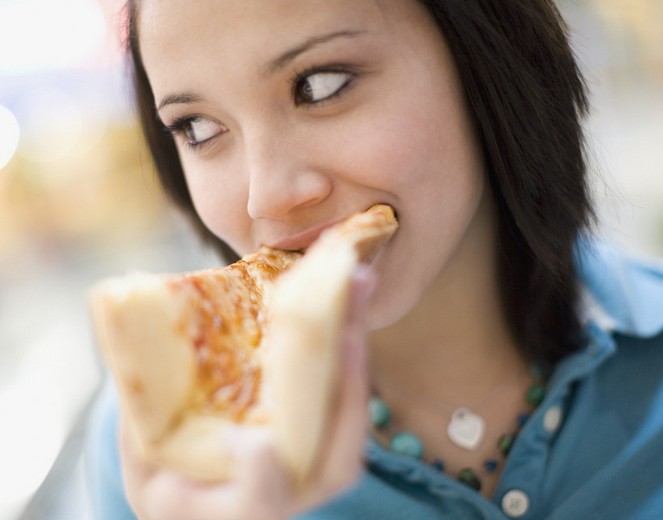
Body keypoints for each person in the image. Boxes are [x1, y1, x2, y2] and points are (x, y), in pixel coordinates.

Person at [85, 0, 663, 518]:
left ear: (485, 55)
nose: (267, 195)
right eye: (199, 127)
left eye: (320, 84)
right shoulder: (161, 438)